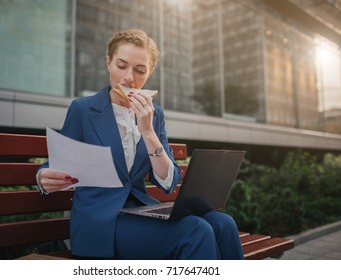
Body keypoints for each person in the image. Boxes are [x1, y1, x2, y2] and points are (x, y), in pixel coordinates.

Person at [36, 28, 244, 260]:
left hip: (140, 211)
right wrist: (43, 176)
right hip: (100, 224)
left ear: (150, 71)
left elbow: (168, 181)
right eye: (121, 66)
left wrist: (147, 131)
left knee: (223, 223)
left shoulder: (154, 115)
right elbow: (58, 162)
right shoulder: (83, 110)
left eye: (139, 70)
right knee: (196, 230)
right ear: (108, 63)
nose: (128, 78)